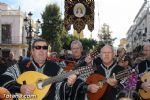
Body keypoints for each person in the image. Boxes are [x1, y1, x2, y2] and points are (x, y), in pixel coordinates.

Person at [0, 38, 77, 100]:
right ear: (32, 52)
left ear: (47, 52)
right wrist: (20, 88)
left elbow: (62, 89)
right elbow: (4, 79)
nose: (41, 50)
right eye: (37, 47)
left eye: (44, 48)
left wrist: (69, 84)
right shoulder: (21, 66)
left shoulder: (56, 68)